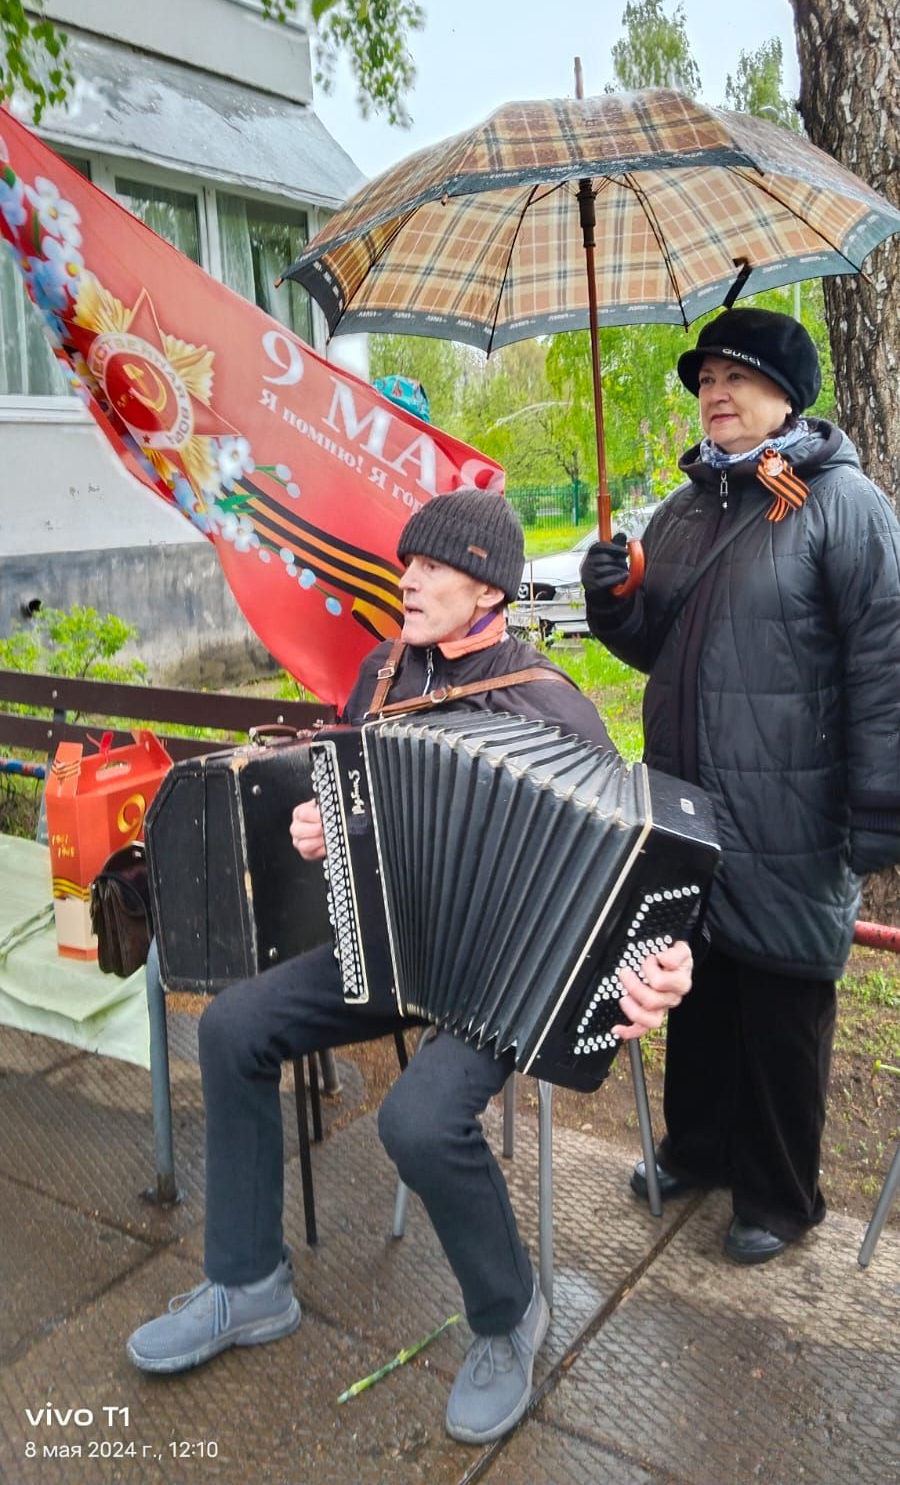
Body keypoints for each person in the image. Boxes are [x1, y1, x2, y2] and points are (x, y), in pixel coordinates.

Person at [127, 489, 694, 1444]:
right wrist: (318, 829)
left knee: (417, 1118)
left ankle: (510, 1315)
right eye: (407, 563)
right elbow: (344, 800)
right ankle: (247, 1281)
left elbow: (641, 867)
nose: (409, 579)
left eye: (432, 567)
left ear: (490, 588)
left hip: (506, 976)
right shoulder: (384, 673)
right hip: (387, 948)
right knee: (230, 1027)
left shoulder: (551, 705)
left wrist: (666, 960)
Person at [581, 306, 900, 1267]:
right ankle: (703, 1148)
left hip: (795, 805)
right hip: (690, 798)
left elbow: (886, 665)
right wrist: (613, 601)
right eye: (706, 377)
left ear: (786, 396)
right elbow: (654, 645)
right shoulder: (688, 509)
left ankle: (780, 1191)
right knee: (701, 975)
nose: (714, 392)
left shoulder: (845, 507)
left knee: (780, 992)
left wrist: (882, 812)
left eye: (737, 377)